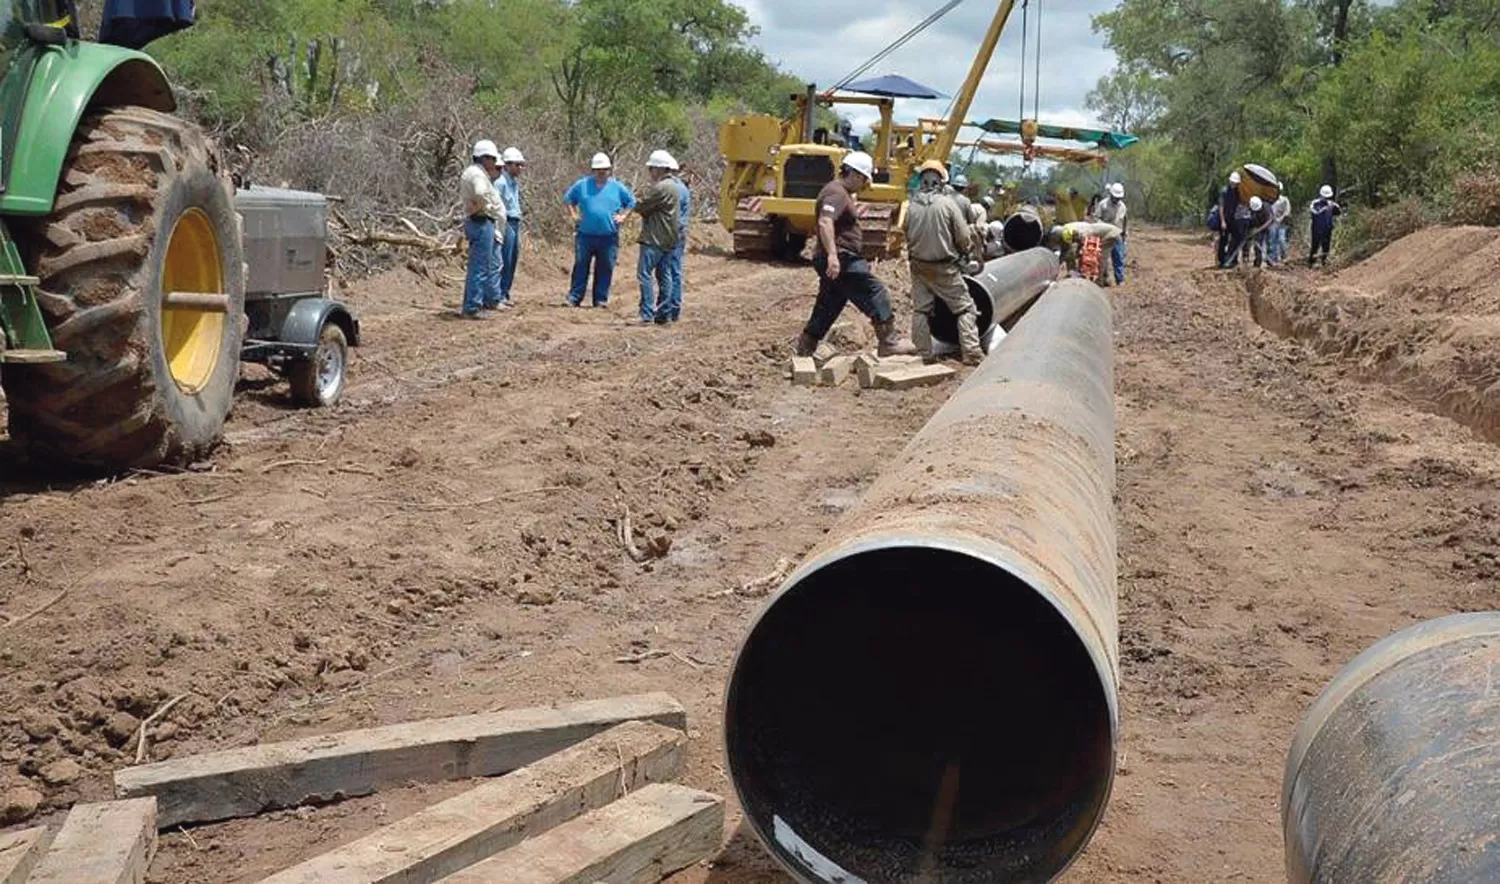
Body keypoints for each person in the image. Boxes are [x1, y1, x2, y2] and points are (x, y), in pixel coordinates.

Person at [794, 151, 917, 358]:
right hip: (843, 257)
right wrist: (833, 256)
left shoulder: (839, 192)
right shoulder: (837, 193)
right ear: (855, 174)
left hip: (837, 256)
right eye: (863, 180)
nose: (863, 185)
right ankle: (889, 342)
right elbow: (825, 221)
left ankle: (807, 345)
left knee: (830, 302)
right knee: (876, 292)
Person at [905, 160, 981, 365]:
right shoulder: (948, 204)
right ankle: (972, 353)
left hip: (919, 266)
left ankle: (922, 353)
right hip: (944, 268)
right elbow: (964, 237)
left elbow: (906, 234)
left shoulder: (911, 206)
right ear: (941, 182)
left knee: (921, 310)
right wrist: (966, 252)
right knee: (965, 308)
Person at [564, 153, 635, 307]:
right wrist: (574, 214)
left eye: (604, 169)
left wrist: (623, 216)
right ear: (593, 170)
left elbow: (631, 202)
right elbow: (569, 199)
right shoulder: (582, 185)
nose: (601, 172)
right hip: (585, 235)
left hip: (608, 236)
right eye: (598, 169)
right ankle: (574, 297)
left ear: (609, 170)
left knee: (605, 268)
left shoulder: (617, 187)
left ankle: (600, 299)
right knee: (581, 266)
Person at [458, 139, 505, 319]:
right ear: (484, 158)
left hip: (476, 221)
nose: (494, 163)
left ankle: (472, 304)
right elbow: (479, 193)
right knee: (480, 267)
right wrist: (481, 207)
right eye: (492, 158)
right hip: (481, 221)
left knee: (477, 266)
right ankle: (472, 307)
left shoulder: (471, 172)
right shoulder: (478, 175)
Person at [633, 150, 681, 325]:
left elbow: (641, 206)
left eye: (652, 168)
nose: (650, 172)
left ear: (659, 169)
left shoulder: (661, 188)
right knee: (665, 276)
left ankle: (646, 314)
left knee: (644, 274)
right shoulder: (675, 186)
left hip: (655, 238)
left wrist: (634, 200)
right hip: (669, 239)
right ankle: (663, 314)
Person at [494, 147, 526, 307]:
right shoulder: (500, 183)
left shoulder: (513, 183)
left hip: (515, 222)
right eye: (516, 164)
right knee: (504, 259)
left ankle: (505, 293)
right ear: (507, 165)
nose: (520, 168)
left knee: (512, 259)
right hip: (505, 222)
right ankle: (498, 295)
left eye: (521, 165)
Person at [665, 160, 691, 323]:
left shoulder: (674, 189)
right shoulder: (682, 187)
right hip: (679, 232)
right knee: (674, 270)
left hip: (671, 233)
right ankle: (673, 308)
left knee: (669, 271)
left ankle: (670, 309)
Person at [1096, 182, 1128, 285]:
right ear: (1111, 195)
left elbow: (1124, 220)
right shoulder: (1103, 204)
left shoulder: (1122, 206)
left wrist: (1124, 234)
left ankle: (1120, 280)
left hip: (1117, 235)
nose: (1117, 200)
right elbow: (1097, 218)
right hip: (1105, 235)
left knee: (1119, 257)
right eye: (1115, 197)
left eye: (1119, 198)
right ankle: (1103, 279)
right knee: (1103, 259)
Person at [1308, 185, 1342, 267]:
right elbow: (1313, 212)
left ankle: (1324, 262)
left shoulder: (1331, 204)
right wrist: (1322, 210)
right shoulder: (1315, 203)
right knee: (1315, 245)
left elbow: (1338, 212)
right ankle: (1311, 262)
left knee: (1326, 246)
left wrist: (1334, 207)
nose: (1326, 198)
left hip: (1328, 228)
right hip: (1317, 228)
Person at [1218, 171, 1243, 268]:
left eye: (1235, 183)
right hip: (1225, 219)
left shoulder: (1238, 192)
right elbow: (1221, 206)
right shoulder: (1224, 191)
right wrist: (1223, 221)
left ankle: (1233, 259)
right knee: (1223, 240)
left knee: (1236, 239)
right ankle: (1221, 261)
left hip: (1234, 219)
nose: (1233, 184)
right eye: (1232, 182)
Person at [1246, 196, 1273, 267]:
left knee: (1270, 244)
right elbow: (1251, 219)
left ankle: (1271, 261)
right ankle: (1258, 262)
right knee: (1257, 245)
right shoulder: (1251, 208)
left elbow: (1269, 221)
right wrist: (1251, 230)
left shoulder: (1266, 207)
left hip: (1269, 226)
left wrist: (1258, 230)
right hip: (1258, 226)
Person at [1269, 192, 1291, 267]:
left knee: (1281, 239)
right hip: (1272, 222)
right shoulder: (1270, 199)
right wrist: (1273, 218)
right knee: (1272, 240)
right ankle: (1273, 258)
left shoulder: (1285, 200)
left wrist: (1280, 218)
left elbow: (1287, 212)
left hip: (1282, 223)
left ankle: (1284, 256)